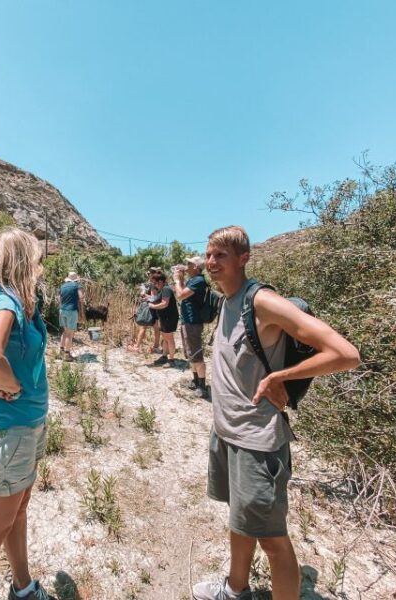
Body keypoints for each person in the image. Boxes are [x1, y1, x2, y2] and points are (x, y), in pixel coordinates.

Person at [193, 226, 360, 600]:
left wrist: (281, 377)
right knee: (240, 517)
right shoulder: (225, 302)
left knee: (272, 540)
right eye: (208, 254)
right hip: (227, 433)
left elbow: (345, 353)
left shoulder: (261, 301)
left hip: (258, 442)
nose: (211, 262)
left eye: (220, 255)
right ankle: (235, 589)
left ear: (244, 258)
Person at [0, 227, 55, 600]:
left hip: (24, 428)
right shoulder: (5, 304)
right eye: (36, 259)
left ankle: (23, 586)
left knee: (17, 512)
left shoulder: (13, 301)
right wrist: (13, 386)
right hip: (10, 432)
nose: (40, 267)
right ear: (25, 262)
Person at [172, 256, 209, 398]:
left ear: (196, 267)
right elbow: (182, 293)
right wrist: (180, 280)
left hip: (193, 322)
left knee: (196, 354)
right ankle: (195, 380)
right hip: (188, 321)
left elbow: (180, 295)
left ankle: (202, 386)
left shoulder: (199, 281)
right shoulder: (193, 280)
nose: (186, 265)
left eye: (189, 263)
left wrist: (176, 280)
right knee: (190, 353)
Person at [147, 272, 179, 367]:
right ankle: (164, 356)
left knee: (169, 338)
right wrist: (148, 298)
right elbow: (157, 298)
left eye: (155, 282)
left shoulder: (166, 289)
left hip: (169, 317)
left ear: (160, 281)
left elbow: (164, 303)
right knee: (165, 338)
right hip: (164, 317)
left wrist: (153, 306)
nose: (154, 284)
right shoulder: (162, 290)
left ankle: (171, 360)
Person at [128, 267, 162, 353]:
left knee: (144, 326)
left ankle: (137, 346)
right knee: (155, 327)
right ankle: (156, 347)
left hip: (150, 308)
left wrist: (145, 296)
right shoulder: (157, 283)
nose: (149, 275)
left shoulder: (153, 284)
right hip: (155, 307)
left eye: (149, 274)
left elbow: (153, 297)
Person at [59, 271, 84, 361]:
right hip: (71, 310)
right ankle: (67, 354)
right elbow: (81, 297)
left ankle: (61, 351)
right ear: (76, 279)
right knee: (70, 333)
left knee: (65, 331)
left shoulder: (62, 286)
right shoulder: (77, 285)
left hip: (62, 310)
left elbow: (59, 298)